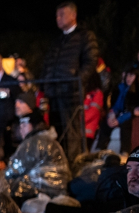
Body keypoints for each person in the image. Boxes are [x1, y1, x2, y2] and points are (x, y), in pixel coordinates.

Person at [41, 1, 99, 162]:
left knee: (71, 134)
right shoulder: (57, 41)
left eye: (62, 15)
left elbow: (90, 62)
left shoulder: (85, 36)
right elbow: (48, 64)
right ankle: (59, 165)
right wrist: (45, 85)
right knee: (57, 132)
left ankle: (75, 166)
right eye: (57, 16)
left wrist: (77, 82)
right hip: (54, 93)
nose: (58, 18)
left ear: (73, 15)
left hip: (71, 93)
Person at [4, 109, 71, 201]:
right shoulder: (48, 139)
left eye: (24, 125)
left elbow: (15, 169)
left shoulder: (34, 142)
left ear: (33, 125)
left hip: (43, 188)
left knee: (4, 187)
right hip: (59, 188)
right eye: (20, 126)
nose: (21, 129)